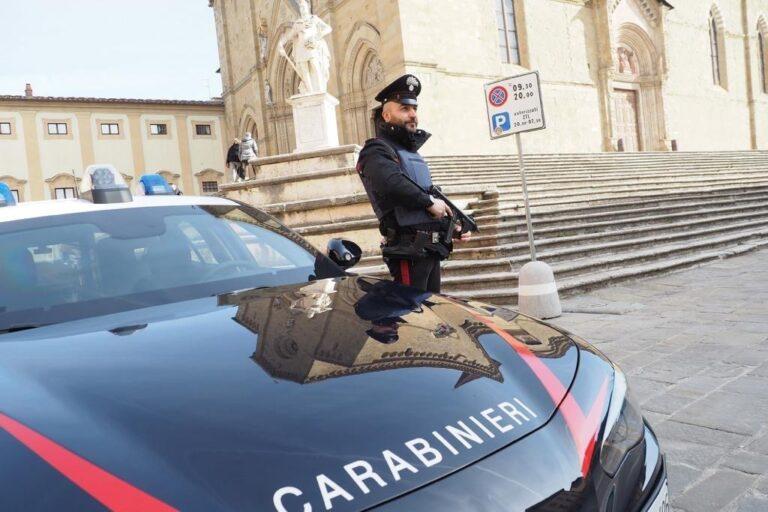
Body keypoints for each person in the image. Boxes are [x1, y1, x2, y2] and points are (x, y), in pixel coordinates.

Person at [357, 74, 471, 293]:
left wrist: (453, 227)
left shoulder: (410, 154)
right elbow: (391, 183)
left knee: (430, 308)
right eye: (404, 109)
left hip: (429, 250)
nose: (413, 114)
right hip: (407, 251)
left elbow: (426, 203)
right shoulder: (376, 149)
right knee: (410, 310)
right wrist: (429, 202)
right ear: (386, 115)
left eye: (414, 109)